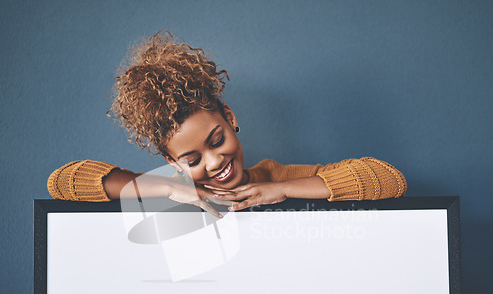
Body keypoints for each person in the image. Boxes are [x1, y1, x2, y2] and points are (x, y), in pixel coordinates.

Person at [47, 31, 407, 217]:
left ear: (230, 119)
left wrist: (283, 190)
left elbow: (389, 179)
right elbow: (63, 181)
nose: (215, 162)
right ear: (173, 161)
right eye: (192, 159)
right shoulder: (167, 188)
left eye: (216, 141)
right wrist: (168, 189)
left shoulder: (277, 176)